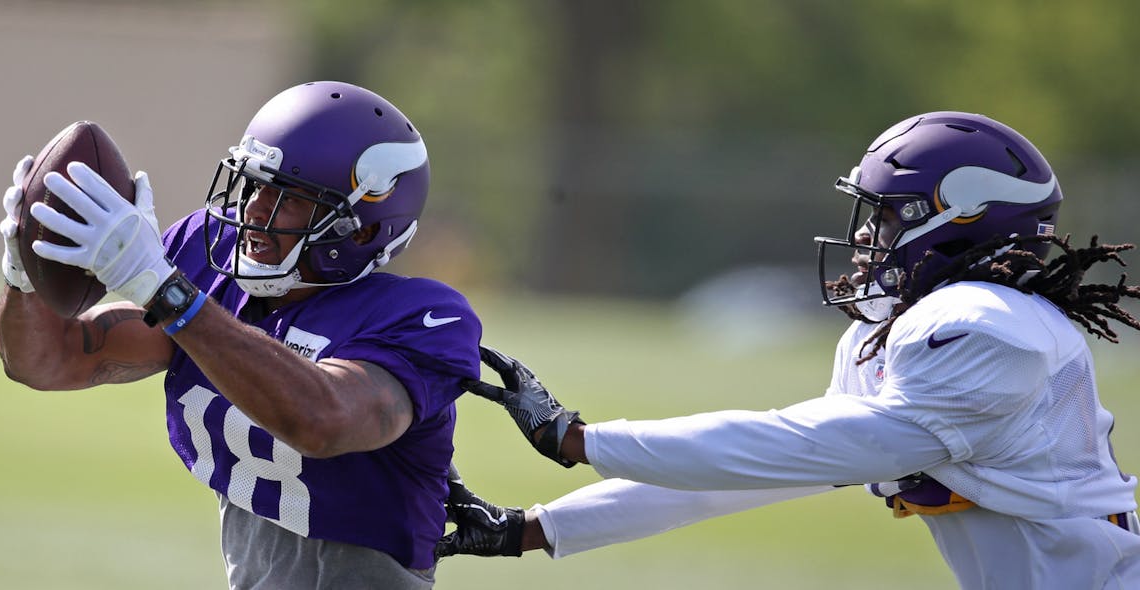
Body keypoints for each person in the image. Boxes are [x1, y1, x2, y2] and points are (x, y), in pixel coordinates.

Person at [437, 111, 1140, 589]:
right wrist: (532, 529)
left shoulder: (981, 325)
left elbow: (789, 447)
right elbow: (753, 472)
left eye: (889, 216)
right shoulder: (889, 335)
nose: (867, 237)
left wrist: (581, 440)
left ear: (959, 223)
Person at [0, 81, 482, 589]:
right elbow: (49, 361)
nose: (252, 210)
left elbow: (323, 420)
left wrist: (165, 291)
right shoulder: (213, 265)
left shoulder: (423, 316)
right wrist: (23, 275)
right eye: (253, 184)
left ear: (360, 231)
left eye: (286, 198)